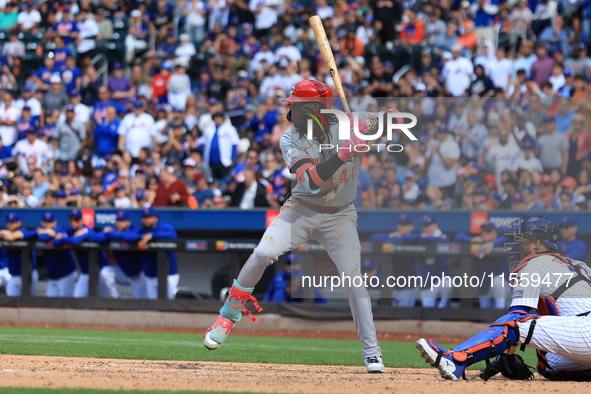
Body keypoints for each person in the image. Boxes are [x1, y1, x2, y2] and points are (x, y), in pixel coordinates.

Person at [203, 80, 386, 374]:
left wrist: (374, 126)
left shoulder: (352, 122)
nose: (293, 112)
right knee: (263, 253)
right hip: (301, 209)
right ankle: (228, 314)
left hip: (340, 216)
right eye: (293, 107)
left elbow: (395, 120)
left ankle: (372, 352)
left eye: (300, 107)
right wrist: (343, 153)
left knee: (354, 280)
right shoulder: (291, 139)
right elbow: (311, 182)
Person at [417, 215, 591, 381]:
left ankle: (455, 360)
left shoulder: (536, 264)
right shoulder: (580, 266)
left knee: (515, 323)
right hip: (582, 335)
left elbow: (516, 317)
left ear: (537, 243)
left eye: (523, 238)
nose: (519, 242)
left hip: (585, 331)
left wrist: (505, 355)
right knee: (547, 364)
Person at [53, 209, 109, 298]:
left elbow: (76, 241)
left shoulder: (87, 230)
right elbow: (55, 242)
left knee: (100, 299)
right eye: (71, 220)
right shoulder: (70, 231)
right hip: (86, 273)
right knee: (77, 299)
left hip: (100, 271)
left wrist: (64, 238)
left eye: (76, 220)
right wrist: (65, 237)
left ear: (82, 221)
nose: (73, 222)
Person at [455, 222, 509, 309]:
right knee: (486, 314)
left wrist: (492, 244)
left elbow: (504, 238)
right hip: (484, 286)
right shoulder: (477, 245)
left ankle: (501, 315)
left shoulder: (499, 242)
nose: (484, 233)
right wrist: (472, 239)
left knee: (497, 281)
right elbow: (458, 236)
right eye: (483, 231)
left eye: (487, 231)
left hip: (500, 285)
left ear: (494, 233)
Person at [370, 214, 420, 307]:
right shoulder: (393, 236)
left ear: (411, 226)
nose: (401, 227)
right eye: (400, 225)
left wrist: (396, 237)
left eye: (404, 225)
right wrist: (391, 236)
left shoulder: (413, 238)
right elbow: (374, 237)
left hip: (409, 284)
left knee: (405, 313)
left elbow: (415, 237)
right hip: (393, 284)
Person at [134, 207, 180, 299]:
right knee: (153, 307)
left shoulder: (165, 227)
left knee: (168, 304)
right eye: (144, 217)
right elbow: (128, 236)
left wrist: (153, 236)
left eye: (149, 217)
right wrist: (141, 236)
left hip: (168, 274)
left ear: (156, 218)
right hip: (150, 275)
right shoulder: (141, 231)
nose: (146, 220)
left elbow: (173, 235)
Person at [99, 211, 146, 299]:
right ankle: (117, 299)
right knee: (105, 271)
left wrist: (109, 233)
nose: (119, 223)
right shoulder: (114, 231)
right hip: (123, 272)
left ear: (128, 223)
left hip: (138, 274)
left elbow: (128, 237)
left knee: (142, 303)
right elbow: (95, 238)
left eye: (122, 221)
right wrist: (106, 232)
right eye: (118, 221)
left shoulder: (135, 231)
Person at [35, 212, 77, 297]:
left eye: (50, 222)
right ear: (42, 223)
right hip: (53, 276)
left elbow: (55, 240)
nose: (48, 225)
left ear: (55, 222)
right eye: (46, 222)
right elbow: (41, 237)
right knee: (49, 305)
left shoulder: (59, 230)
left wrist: (47, 232)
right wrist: (47, 232)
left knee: (65, 305)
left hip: (66, 274)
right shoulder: (44, 231)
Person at [0, 212, 38, 296]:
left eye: (13, 223)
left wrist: (4, 234)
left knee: (29, 301)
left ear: (19, 223)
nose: (10, 225)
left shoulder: (25, 231)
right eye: (9, 223)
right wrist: (3, 233)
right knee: (11, 302)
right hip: (14, 275)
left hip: (28, 274)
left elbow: (11, 237)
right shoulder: (6, 231)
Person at [202, 111, 239, 181]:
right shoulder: (208, 129)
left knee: (225, 181)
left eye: (219, 117)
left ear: (223, 118)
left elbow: (234, 144)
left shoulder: (230, 128)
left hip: (224, 161)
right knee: (212, 181)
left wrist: (232, 158)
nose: (218, 119)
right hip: (210, 161)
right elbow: (204, 145)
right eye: (216, 117)